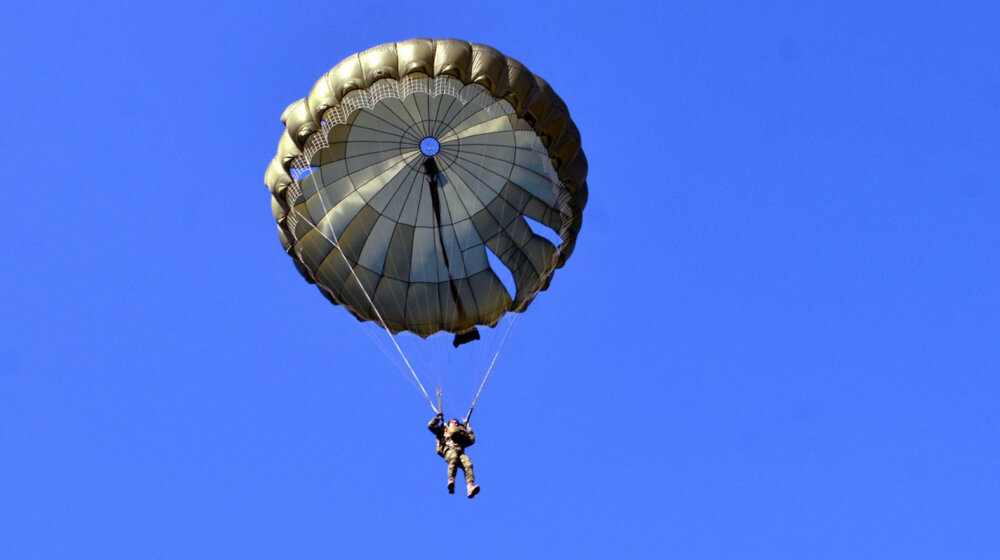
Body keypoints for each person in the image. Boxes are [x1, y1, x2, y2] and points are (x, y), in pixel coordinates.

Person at [428, 413, 480, 498]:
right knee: (454, 457)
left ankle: (470, 487)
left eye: (456, 423)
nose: (454, 423)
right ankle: (451, 480)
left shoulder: (461, 434)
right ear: (448, 424)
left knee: (468, 463)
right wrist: (437, 419)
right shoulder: (443, 431)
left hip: (460, 453)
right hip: (449, 450)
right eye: (452, 422)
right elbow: (430, 426)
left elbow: (471, 440)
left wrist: (468, 428)